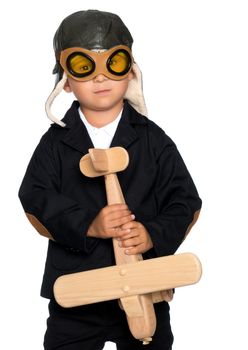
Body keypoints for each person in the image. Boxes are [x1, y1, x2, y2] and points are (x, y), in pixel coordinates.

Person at [18, 9, 201, 350]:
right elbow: (34, 197)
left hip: (146, 286)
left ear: (130, 72)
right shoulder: (55, 144)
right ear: (67, 81)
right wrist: (89, 224)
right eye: (85, 67)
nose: (100, 78)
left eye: (112, 64)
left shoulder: (153, 141)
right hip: (78, 290)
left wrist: (152, 235)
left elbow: (185, 201)